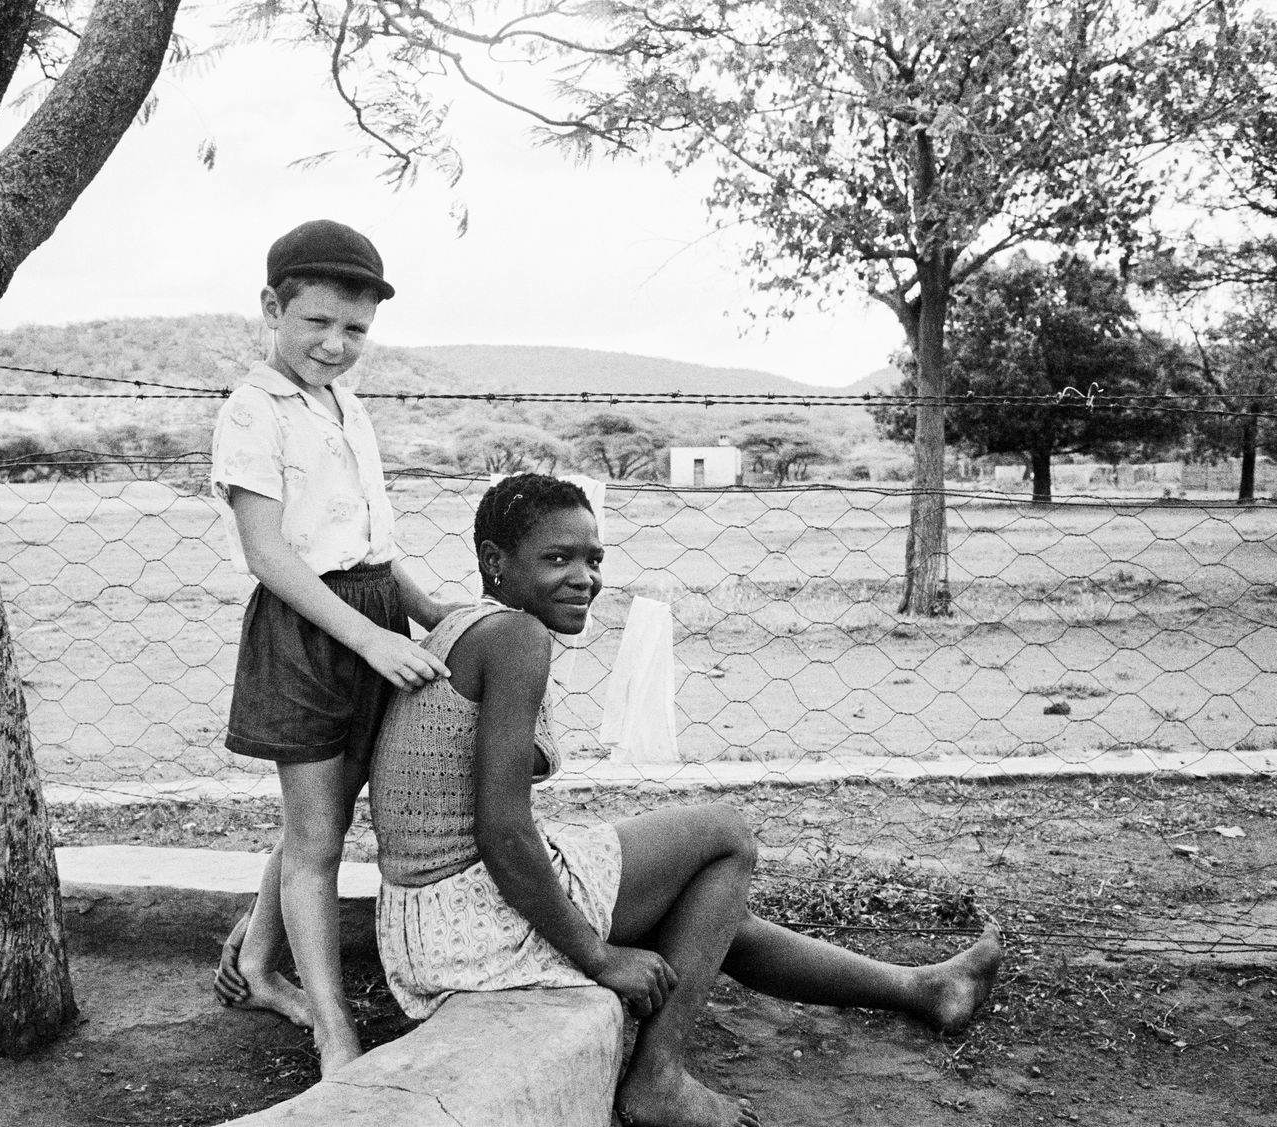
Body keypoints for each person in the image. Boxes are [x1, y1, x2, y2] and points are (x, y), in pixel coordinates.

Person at [367, 473, 1002, 1127]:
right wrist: (599, 955)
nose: (584, 577)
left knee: (710, 913)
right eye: (558, 558)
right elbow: (503, 830)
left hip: (426, 921)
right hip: (476, 919)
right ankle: (656, 1079)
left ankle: (927, 989)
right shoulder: (514, 639)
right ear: (495, 562)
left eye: (594, 559)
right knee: (724, 836)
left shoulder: (463, 626)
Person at [207, 219, 453, 1076]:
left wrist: (431, 612)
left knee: (324, 815)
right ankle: (335, 1034)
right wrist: (372, 637)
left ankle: (256, 959)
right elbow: (269, 552)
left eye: (355, 331)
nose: (336, 344)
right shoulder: (254, 409)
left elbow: (373, 542)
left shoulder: (345, 405)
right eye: (317, 323)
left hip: (372, 617)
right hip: (313, 632)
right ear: (273, 308)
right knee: (317, 839)